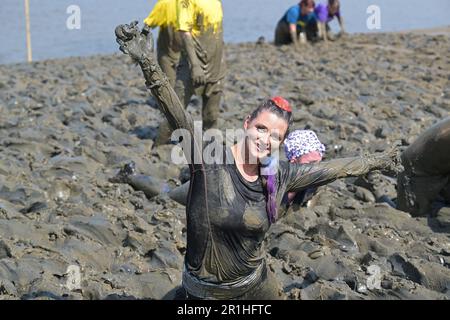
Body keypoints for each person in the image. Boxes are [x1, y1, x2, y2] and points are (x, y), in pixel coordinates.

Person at [115, 22, 399, 300]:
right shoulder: (209, 161)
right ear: (247, 122)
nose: (265, 140)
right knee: (168, 193)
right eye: (261, 129)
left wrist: (379, 160)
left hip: (257, 283)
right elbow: (178, 115)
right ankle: (130, 176)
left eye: (275, 136)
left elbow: (334, 169)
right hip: (205, 294)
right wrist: (146, 62)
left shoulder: (280, 174)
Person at [155, 0, 226, 146]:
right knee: (175, 112)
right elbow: (184, 33)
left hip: (215, 66)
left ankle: (210, 151)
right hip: (191, 66)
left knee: (211, 116)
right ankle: (157, 148)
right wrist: (195, 65)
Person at [282, 129, 326, 211]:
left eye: (319, 163)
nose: (316, 168)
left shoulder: (315, 184)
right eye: (311, 163)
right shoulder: (278, 181)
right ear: (294, 161)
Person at [142, 0, 181, 87]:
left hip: (168, 52)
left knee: (169, 82)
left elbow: (148, 24)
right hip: (181, 51)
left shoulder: (164, 3)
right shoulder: (191, 4)